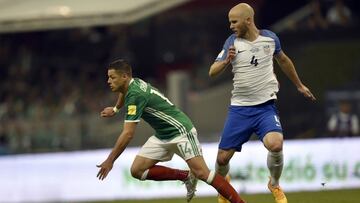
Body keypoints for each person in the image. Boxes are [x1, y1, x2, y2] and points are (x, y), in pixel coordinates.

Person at [208, 3, 316, 203]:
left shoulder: (270, 39)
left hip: (265, 108)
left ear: (248, 20)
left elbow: (283, 60)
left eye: (234, 21)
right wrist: (225, 62)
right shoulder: (231, 42)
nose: (231, 26)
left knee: (276, 145)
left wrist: (300, 85)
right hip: (239, 110)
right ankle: (223, 187)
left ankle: (274, 184)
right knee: (222, 159)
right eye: (229, 22)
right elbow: (212, 71)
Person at [96, 59, 246, 203]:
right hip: (163, 135)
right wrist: (116, 109)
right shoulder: (131, 84)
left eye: (112, 77)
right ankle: (186, 176)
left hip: (181, 131)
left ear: (124, 76)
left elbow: (128, 134)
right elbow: (123, 92)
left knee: (202, 173)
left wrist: (110, 161)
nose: (108, 81)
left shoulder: (136, 95)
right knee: (137, 170)